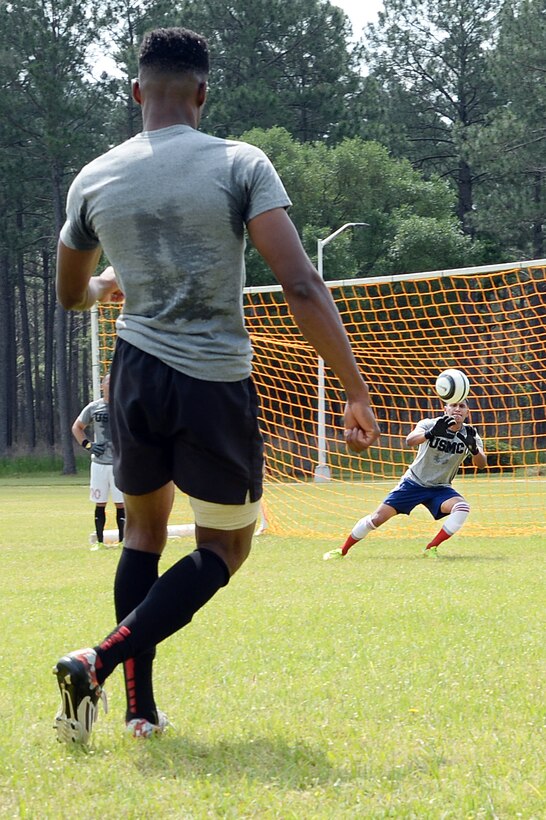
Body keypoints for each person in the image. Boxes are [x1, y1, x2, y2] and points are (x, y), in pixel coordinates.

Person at [53, 26, 380, 744]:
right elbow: (299, 283)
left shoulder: (93, 176)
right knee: (225, 549)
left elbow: (72, 294)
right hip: (213, 382)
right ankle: (97, 660)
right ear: (203, 93)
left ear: (137, 92)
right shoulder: (240, 162)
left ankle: (139, 712)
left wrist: (110, 283)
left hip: (133, 375)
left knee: (141, 532)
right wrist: (354, 388)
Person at [324, 400, 487, 561]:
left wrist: (473, 449)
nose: (457, 409)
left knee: (462, 507)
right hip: (413, 483)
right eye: (453, 405)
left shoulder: (470, 434)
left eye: (462, 406)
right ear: (445, 409)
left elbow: (481, 464)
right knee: (376, 518)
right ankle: (342, 550)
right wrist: (430, 434)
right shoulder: (431, 424)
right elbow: (410, 440)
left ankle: (431, 547)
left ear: (467, 412)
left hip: (440, 488)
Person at [72, 373, 125, 550]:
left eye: (114, 381)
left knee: (121, 503)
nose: (112, 384)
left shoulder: (123, 406)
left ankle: (123, 540)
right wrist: (88, 445)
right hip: (100, 464)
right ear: (102, 386)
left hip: (118, 464)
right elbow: (77, 427)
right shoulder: (94, 407)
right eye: (108, 381)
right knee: (100, 502)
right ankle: (100, 542)